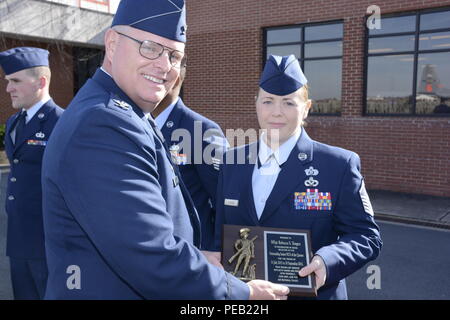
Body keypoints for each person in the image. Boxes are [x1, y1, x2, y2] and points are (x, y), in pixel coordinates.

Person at [41, 0, 288, 300]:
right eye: (150, 47)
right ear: (112, 43)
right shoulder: (103, 124)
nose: (165, 66)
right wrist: (240, 293)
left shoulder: (126, 112)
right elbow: (148, 252)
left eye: (174, 55)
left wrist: (199, 258)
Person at [213, 54, 382, 300]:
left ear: (307, 108)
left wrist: (327, 261)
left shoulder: (338, 165)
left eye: (289, 103)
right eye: (268, 101)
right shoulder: (232, 160)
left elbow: (366, 236)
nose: (276, 112)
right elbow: (220, 229)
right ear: (256, 104)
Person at [0, 47, 64, 299]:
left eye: (15, 81)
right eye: (7, 82)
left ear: (41, 82)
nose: (8, 89)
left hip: (48, 243)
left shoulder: (61, 122)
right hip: (18, 239)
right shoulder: (15, 122)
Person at [152, 58, 228, 251]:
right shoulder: (137, 124)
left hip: (191, 251)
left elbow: (224, 200)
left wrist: (213, 251)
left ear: (176, 79)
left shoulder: (201, 130)